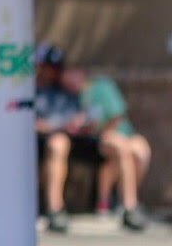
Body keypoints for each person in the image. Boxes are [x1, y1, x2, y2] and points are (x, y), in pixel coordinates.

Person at [34, 44, 94, 233]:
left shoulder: (67, 91)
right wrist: (58, 127)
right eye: (49, 66)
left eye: (57, 67)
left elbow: (83, 115)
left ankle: (119, 206)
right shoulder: (30, 90)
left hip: (74, 141)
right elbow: (32, 123)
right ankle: (55, 208)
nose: (53, 72)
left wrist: (81, 122)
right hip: (41, 142)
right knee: (57, 144)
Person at [82, 75, 151, 231]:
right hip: (98, 140)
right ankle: (129, 206)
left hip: (119, 135)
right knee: (121, 148)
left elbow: (117, 115)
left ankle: (117, 199)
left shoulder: (102, 87)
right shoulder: (74, 96)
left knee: (140, 151)